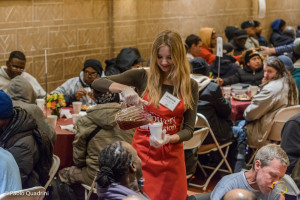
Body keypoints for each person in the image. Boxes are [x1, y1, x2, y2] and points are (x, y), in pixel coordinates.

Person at [92, 30, 198, 200]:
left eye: (169, 57)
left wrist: (170, 139)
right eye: (159, 57)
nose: (164, 62)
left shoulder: (189, 85)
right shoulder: (143, 76)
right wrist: (124, 89)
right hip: (143, 155)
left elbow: (189, 129)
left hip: (173, 155)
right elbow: (98, 83)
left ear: (179, 56)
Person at [58, 91, 134, 186]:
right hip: (125, 177)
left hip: (95, 177)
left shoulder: (85, 121)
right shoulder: (131, 118)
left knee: (63, 174)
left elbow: (78, 160)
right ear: (118, 99)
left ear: (94, 100)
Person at [0, 90, 52, 189]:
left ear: (3, 117)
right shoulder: (7, 127)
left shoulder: (22, 144)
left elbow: (15, 179)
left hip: (23, 189)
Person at [244, 56, 298, 147]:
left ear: (279, 72)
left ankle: (240, 159)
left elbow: (250, 115)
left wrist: (263, 87)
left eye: (270, 71)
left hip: (267, 133)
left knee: (237, 126)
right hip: (287, 132)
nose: (265, 75)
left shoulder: (272, 88)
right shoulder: (291, 83)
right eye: (264, 71)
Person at [211, 144, 289, 200]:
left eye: (280, 178)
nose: (276, 183)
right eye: (273, 175)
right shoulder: (227, 185)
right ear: (258, 165)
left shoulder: (274, 191)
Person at [6, 76, 56, 144]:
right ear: (30, 91)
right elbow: (50, 136)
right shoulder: (33, 109)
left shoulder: (5, 107)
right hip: (28, 152)